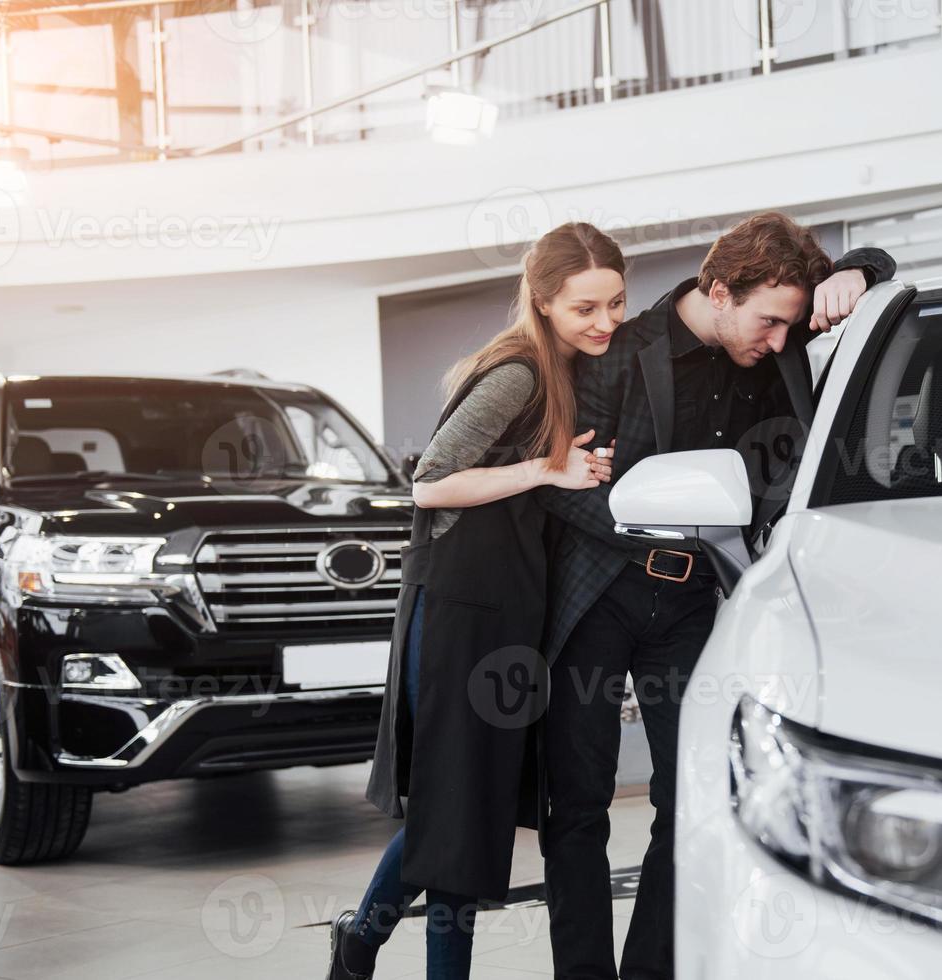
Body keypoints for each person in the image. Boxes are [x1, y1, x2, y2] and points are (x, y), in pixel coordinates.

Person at [536, 212, 896, 980]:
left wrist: (857, 270)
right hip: (597, 593)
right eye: (767, 321)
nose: (776, 342)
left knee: (692, 798)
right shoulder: (614, 354)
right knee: (577, 809)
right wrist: (644, 521)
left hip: (698, 601)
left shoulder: (778, 340)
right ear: (720, 289)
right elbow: (559, 489)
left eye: (786, 325)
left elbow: (878, 266)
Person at [327, 221, 630, 980]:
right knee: (456, 811)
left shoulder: (559, 369)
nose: (604, 323)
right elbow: (429, 481)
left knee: (471, 810)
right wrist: (546, 471)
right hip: (464, 607)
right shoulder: (520, 373)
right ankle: (368, 941)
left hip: (504, 610)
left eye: (615, 305)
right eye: (585, 308)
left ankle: (361, 938)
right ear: (543, 300)